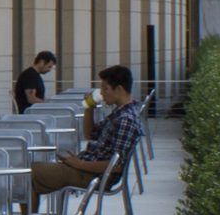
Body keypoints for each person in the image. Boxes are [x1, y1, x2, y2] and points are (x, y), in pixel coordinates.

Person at [22, 62, 142, 205]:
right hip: (86, 168)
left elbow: (116, 165)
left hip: (91, 175)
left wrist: (79, 164)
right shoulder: (120, 113)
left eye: (105, 88)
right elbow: (90, 134)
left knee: (26, 173)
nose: (102, 93)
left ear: (119, 89)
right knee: (29, 173)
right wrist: (89, 107)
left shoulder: (125, 120)